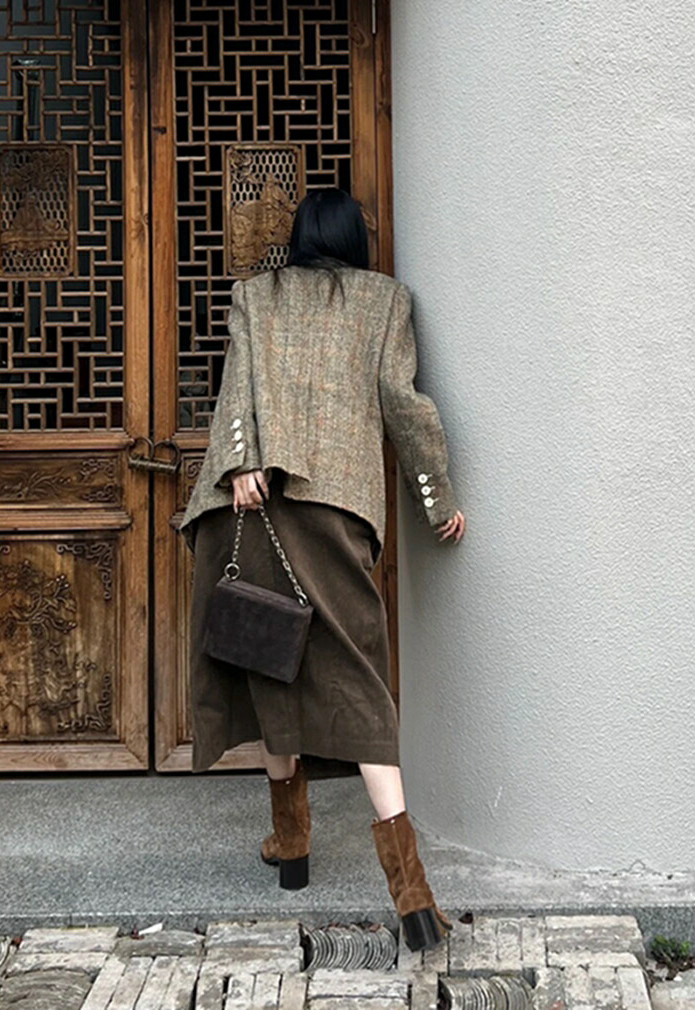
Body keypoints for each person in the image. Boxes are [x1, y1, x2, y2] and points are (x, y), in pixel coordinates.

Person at [178, 187, 465, 952]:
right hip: (335, 513)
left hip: (250, 510)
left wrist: (240, 462)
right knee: (357, 684)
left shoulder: (256, 295)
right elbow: (406, 407)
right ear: (354, 241)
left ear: (301, 236)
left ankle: (292, 843)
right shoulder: (385, 301)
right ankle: (411, 894)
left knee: (266, 663)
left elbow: (234, 393)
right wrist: (436, 498)